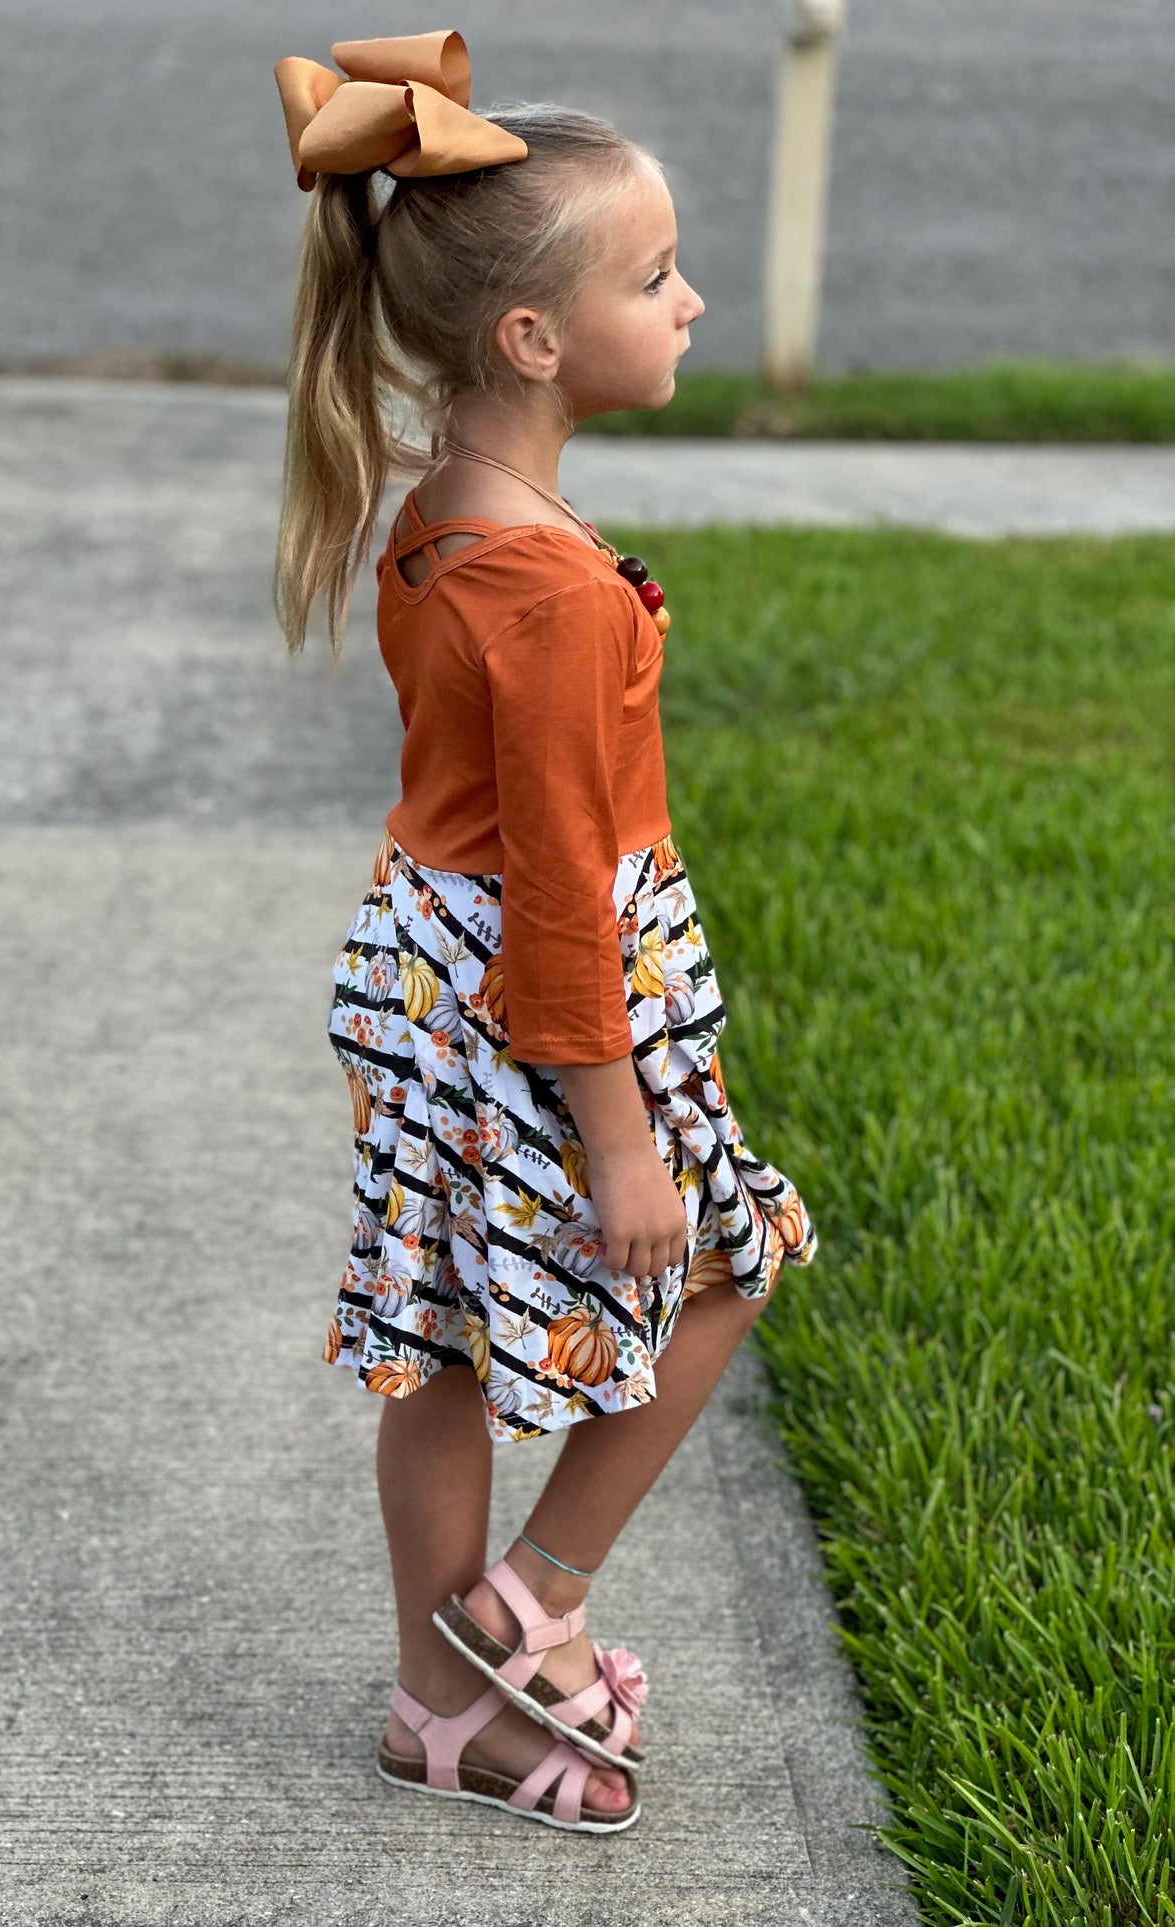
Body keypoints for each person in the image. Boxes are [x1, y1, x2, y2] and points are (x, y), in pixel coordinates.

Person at [271, 30, 817, 1833]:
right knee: (721, 1256)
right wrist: (614, 1131)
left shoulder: (439, 519)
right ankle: (530, 1605)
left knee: (433, 1338)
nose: (690, 298)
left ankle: (444, 1707)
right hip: (540, 985)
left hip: (425, 968)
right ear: (531, 339)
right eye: (652, 277)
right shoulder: (554, 593)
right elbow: (568, 884)